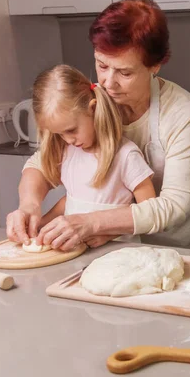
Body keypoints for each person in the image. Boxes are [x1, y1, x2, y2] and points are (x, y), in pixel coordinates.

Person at [6, 0, 190, 251]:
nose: (108, 83)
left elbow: (173, 206)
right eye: (102, 65)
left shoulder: (181, 111)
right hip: (121, 245)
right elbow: (42, 163)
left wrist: (92, 223)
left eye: (125, 72)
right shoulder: (91, 102)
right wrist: (29, 206)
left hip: (187, 242)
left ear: (155, 66)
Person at [31, 64, 155, 249]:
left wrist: (109, 233)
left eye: (71, 130)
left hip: (119, 253)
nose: (68, 140)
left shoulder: (126, 155)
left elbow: (149, 211)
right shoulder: (69, 152)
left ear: (93, 108)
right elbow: (71, 201)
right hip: (77, 254)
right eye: (60, 134)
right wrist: (41, 225)